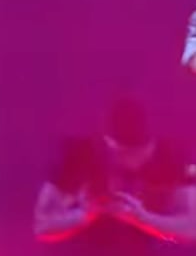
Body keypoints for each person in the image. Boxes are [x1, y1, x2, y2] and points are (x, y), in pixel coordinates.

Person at [33, 98, 196, 255]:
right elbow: (43, 226)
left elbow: (192, 229)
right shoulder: (78, 155)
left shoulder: (172, 157)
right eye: (121, 153)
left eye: (138, 152)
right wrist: (87, 214)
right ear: (107, 142)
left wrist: (141, 218)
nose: (130, 161)